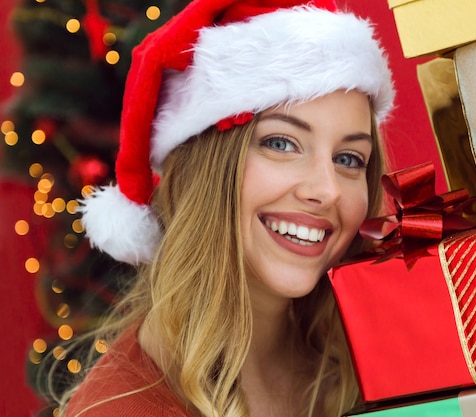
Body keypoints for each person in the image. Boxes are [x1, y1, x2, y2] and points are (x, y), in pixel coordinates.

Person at [55, 0, 395, 416]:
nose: (327, 191)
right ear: (206, 170)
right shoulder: (123, 407)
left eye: (348, 159)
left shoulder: (367, 359)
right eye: (281, 143)